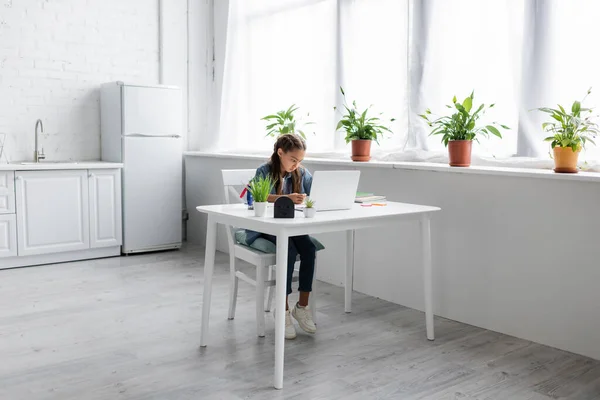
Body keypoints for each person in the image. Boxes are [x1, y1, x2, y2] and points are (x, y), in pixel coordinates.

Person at [245, 133, 316, 340]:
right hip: (267, 227)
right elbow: (260, 196)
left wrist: (309, 199)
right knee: (289, 251)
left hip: (292, 226)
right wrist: (286, 198)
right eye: (293, 159)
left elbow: (315, 193)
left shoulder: (302, 173)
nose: (296, 164)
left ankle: (301, 307)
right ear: (280, 152)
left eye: (300, 161)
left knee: (309, 249)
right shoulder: (264, 171)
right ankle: (282, 310)